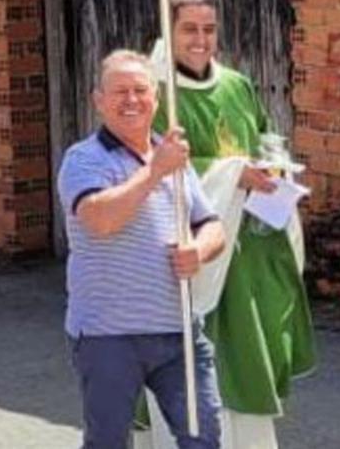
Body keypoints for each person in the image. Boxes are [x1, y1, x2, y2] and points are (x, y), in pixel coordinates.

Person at [143, 0, 316, 447]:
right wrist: (231, 173)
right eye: (189, 30)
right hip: (193, 250)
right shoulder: (156, 93)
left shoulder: (236, 84)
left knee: (246, 359)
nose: (201, 39)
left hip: (245, 252)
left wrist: (272, 164)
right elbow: (150, 167)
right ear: (169, 31)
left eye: (209, 29)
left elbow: (259, 135)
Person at [58, 50, 227, 448]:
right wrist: (155, 171)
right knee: (109, 442)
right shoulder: (83, 159)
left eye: (140, 90)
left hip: (180, 330)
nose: (131, 100)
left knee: (203, 437)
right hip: (109, 335)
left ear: (155, 97)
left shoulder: (172, 157)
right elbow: (99, 219)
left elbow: (212, 225)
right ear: (98, 100)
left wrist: (198, 251)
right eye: (119, 91)